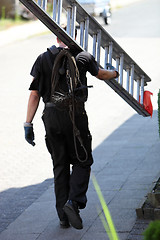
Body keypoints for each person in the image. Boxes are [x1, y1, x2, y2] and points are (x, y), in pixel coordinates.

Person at [24, 28, 119, 230]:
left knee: (59, 166)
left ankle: (63, 217)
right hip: (74, 116)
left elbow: (34, 94)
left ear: (56, 37)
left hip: (50, 117)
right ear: (73, 37)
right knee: (82, 160)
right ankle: (73, 203)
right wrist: (116, 72)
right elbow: (102, 74)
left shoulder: (42, 58)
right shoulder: (83, 56)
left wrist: (28, 124)